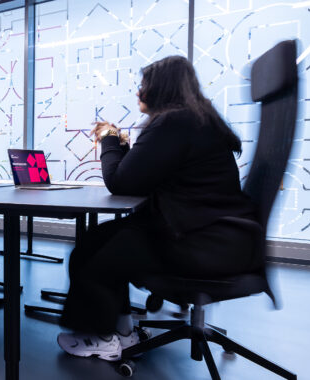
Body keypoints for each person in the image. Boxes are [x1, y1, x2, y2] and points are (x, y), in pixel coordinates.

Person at [57, 56, 260, 361]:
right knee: (102, 239)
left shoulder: (173, 121)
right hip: (218, 237)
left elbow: (121, 183)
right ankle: (122, 334)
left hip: (196, 243)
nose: (139, 92)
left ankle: (100, 336)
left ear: (162, 89)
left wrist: (109, 139)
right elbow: (143, 176)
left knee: (95, 252)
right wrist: (124, 147)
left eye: (143, 85)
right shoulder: (196, 119)